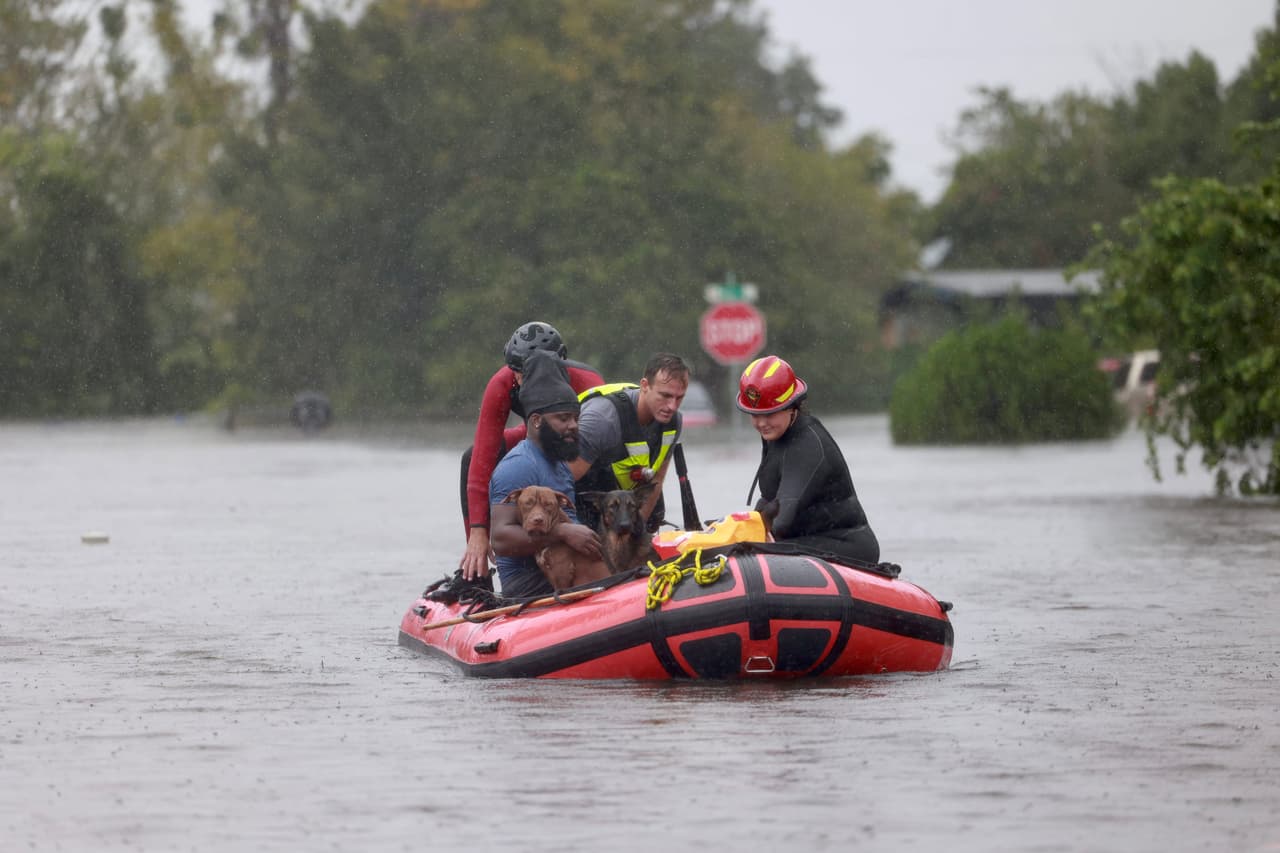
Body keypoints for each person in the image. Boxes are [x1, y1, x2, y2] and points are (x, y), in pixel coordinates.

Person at [459, 322, 603, 582]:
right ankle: (476, 571)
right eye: (517, 372)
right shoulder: (503, 383)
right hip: (534, 434)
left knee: (595, 472)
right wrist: (478, 532)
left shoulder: (586, 382)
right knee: (472, 457)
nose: (520, 381)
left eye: (526, 372)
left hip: (576, 442)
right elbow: (483, 458)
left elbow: (600, 441)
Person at [736, 354, 880, 566]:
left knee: (751, 549)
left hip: (846, 545)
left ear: (791, 406)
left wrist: (744, 537)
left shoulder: (807, 444)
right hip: (806, 539)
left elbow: (781, 519)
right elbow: (768, 502)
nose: (761, 423)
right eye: (755, 414)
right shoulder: (776, 433)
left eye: (770, 414)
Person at [488, 351, 602, 598]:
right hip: (528, 583)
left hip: (570, 568)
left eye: (575, 418)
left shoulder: (560, 462)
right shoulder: (519, 465)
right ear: (537, 420)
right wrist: (562, 532)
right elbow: (500, 539)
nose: (573, 425)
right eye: (563, 419)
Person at [570, 353, 690, 533]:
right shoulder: (603, 420)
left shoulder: (674, 421)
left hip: (622, 496)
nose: (672, 406)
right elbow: (561, 481)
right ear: (644, 386)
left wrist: (636, 533)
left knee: (654, 514)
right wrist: (570, 531)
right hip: (584, 495)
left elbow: (657, 480)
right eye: (665, 396)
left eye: (679, 397)